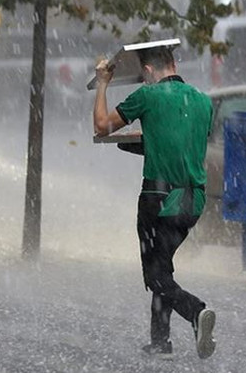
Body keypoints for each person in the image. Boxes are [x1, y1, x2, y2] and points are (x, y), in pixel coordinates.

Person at [92, 45, 216, 360]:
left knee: (155, 276)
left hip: (158, 199)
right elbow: (182, 145)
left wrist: (103, 82)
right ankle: (160, 342)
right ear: (174, 63)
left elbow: (102, 126)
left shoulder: (148, 97)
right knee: (163, 266)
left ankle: (195, 311)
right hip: (192, 202)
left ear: (147, 71)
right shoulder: (203, 101)